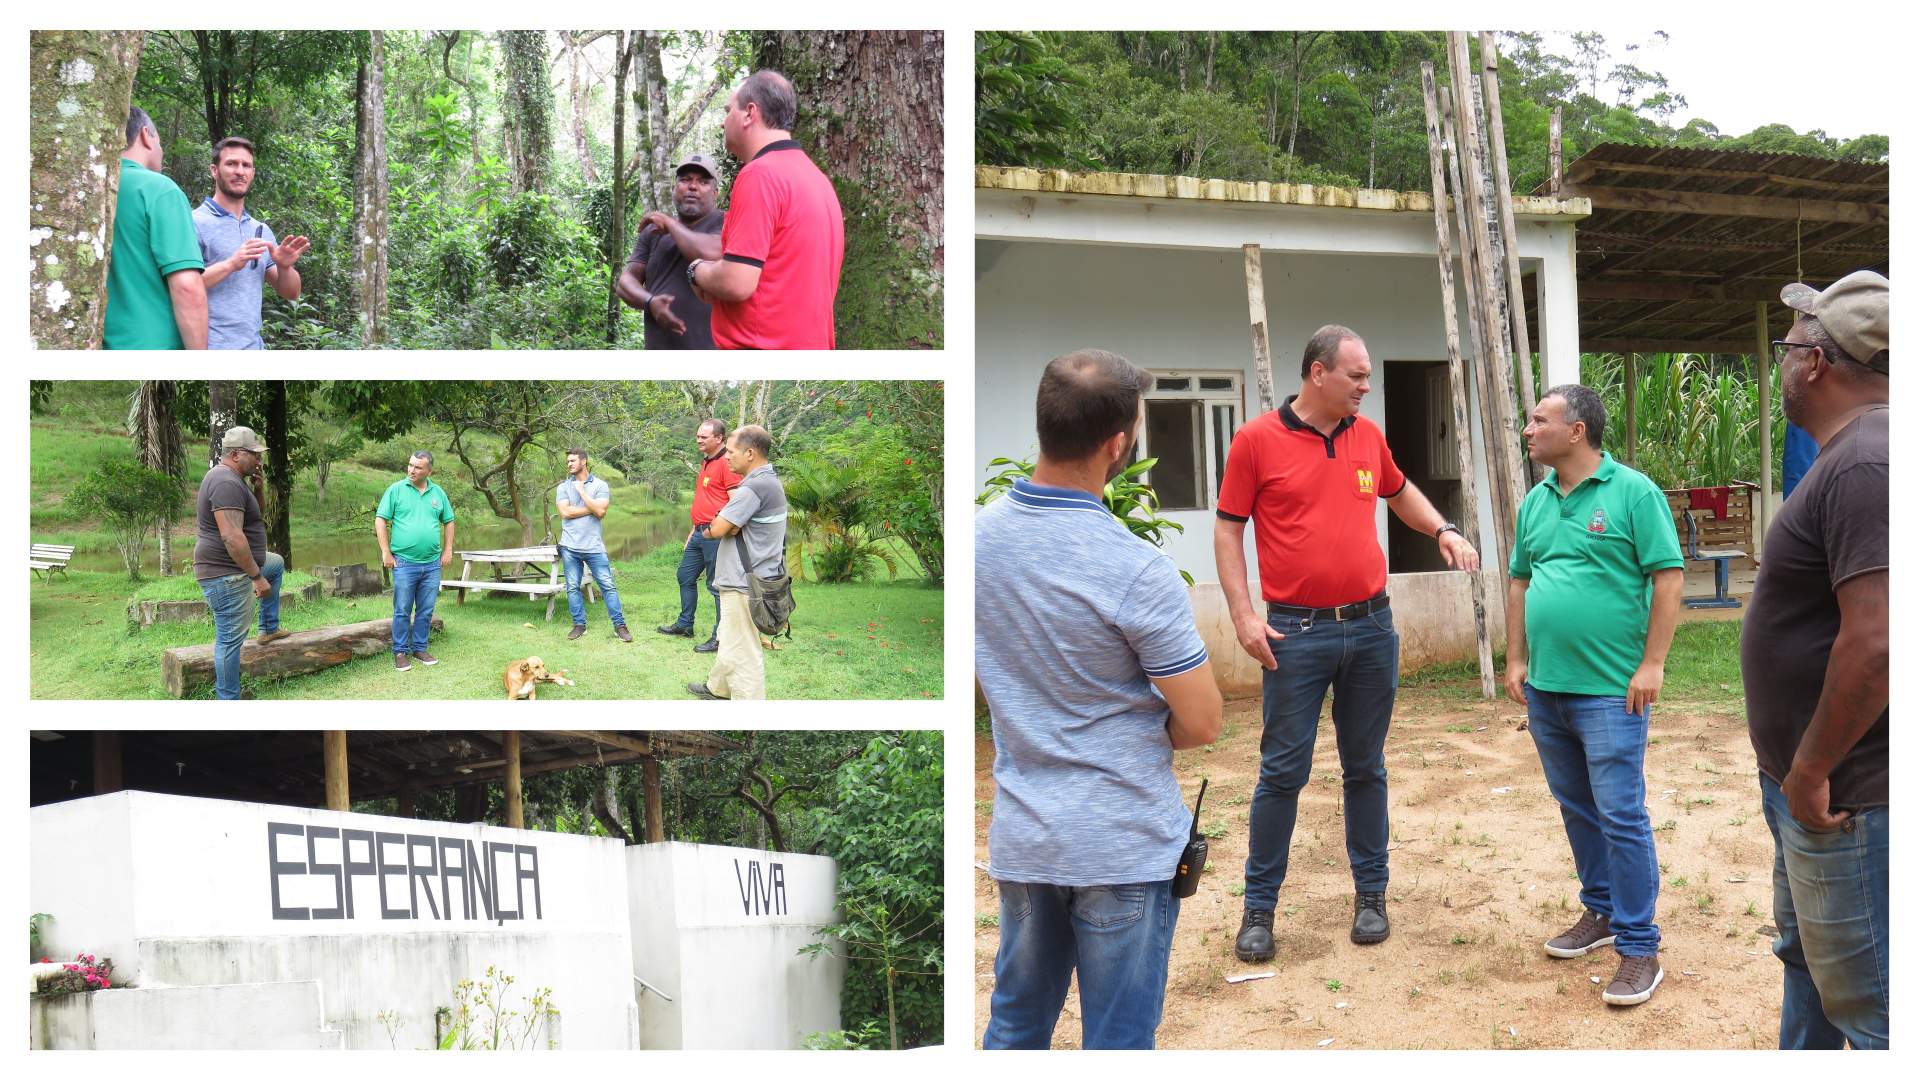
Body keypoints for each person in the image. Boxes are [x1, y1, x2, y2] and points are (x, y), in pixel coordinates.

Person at [976, 350, 1223, 1050]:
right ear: (1119, 444)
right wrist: (1123, 731)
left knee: (1016, 1026)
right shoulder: (1133, 567)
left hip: (1025, 838)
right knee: (1117, 1041)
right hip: (1119, 845)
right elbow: (1203, 719)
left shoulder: (976, 542)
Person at [1216, 325, 1479, 962]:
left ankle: (1371, 897)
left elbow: (1399, 490)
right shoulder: (1255, 441)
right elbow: (1228, 532)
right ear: (1317, 374)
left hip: (1369, 627)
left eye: (1367, 376)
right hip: (1295, 632)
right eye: (1356, 376)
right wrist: (1245, 617)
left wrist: (1442, 528)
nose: (1367, 385)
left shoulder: (1366, 436)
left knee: (1367, 767)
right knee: (1282, 772)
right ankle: (1259, 909)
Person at [1742, 270, 1888, 1049]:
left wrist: (1809, 770)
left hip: (1843, 796)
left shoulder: (1867, 461)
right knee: (1807, 964)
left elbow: (1877, 641)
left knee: (1873, 1011)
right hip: (1812, 787)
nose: (1782, 362)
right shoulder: (1856, 455)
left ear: (1817, 362)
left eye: (1788, 346)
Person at [1503, 384, 1684, 1007]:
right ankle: (1601, 912)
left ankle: (1640, 947)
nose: (1529, 429)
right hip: (1548, 690)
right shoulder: (1536, 501)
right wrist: (1517, 657)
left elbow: (1668, 577)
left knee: (1621, 815)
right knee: (1578, 809)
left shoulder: (1634, 493)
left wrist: (1652, 663)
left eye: (1540, 420)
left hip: (1612, 692)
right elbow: (1521, 582)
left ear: (1576, 431)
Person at [687, 70, 845, 350]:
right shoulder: (817, 179)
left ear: (749, 113)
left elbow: (737, 283)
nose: (723, 123)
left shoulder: (760, 175)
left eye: (727, 111)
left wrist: (697, 270)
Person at [687, 426, 786, 700]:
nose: (727, 457)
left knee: (739, 649)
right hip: (757, 575)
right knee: (729, 634)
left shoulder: (753, 487)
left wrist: (714, 526)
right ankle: (717, 689)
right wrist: (729, 522)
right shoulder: (769, 481)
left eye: (731, 452)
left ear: (750, 453)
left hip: (743, 582)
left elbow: (717, 528)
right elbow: (729, 524)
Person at [193, 136, 310, 350]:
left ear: (252, 174)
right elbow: (184, 287)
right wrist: (231, 263)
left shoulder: (261, 230)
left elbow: (291, 293)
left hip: (255, 349)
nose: (240, 171)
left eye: (246, 165)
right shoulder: (193, 222)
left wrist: (285, 267)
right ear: (214, 170)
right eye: (231, 164)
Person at [105, 106, 207, 350]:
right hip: (153, 347)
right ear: (144, 136)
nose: (161, 151)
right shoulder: (159, 190)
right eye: (159, 142)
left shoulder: (89, 188)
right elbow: (187, 287)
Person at [192, 427, 282, 699]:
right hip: (227, 575)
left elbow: (255, 517)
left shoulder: (235, 480)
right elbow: (232, 537)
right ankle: (229, 700)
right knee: (230, 641)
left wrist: (258, 489)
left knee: (275, 564)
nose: (258, 460)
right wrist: (256, 576)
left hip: (235, 568)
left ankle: (268, 629)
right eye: (253, 454)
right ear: (234, 454)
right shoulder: (226, 482)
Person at [615, 152, 724, 349]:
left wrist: (671, 226)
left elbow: (712, 253)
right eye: (685, 180)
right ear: (674, 189)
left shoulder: (725, 222)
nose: (692, 186)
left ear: (715, 193)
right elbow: (625, 283)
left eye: (703, 182)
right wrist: (651, 302)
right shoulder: (653, 231)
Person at [657, 419, 739, 652]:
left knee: (716, 586)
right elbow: (706, 500)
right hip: (699, 531)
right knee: (685, 575)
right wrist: (694, 528)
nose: (698, 440)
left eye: (704, 437)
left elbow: (736, 503)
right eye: (698, 436)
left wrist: (717, 530)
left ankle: (720, 637)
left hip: (716, 534)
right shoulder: (707, 462)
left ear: (719, 438)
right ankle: (685, 625)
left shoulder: (726, 462)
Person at [375, 451, 456, 672]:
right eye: (410, 465)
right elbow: (380, 519)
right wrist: (386, 552)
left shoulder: (437, 492)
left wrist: (447, 550)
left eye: (418, 467)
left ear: (430, 471)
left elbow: (448, 521)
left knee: (426, 608)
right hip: (404, 562)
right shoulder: (396, 490)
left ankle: (420, 648)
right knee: (402, 608)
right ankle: (400, 652)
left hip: (432, 563)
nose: (412, 470)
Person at [555, 449, 632, 643]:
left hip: (594, 547)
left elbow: (601, 509)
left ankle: (619, 626)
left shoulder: (600, 485)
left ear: (584, 461)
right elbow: (565, 512)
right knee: (573, 587)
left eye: (573, 460)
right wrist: (593, 509)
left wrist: (581, 492)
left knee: (608, 586)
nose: (569, 464)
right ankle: (579, 625)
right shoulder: (563, 487)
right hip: (570, 546)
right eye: (568, 461)